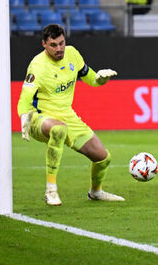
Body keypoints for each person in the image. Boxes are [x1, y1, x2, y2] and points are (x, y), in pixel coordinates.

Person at [18, 24, 124, 206]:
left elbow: (91, 79)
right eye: (53, 45)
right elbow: (24, 98)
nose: (59, 48)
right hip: (39, 117)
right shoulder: (37, 66)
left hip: (67, 116)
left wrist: (101, 79)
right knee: (58, 129)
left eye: (61, 43)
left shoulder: (72, 54)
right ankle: (51, 190)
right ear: (44, 44)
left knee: (103, 158)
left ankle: (96, 192)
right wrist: (23, 117)